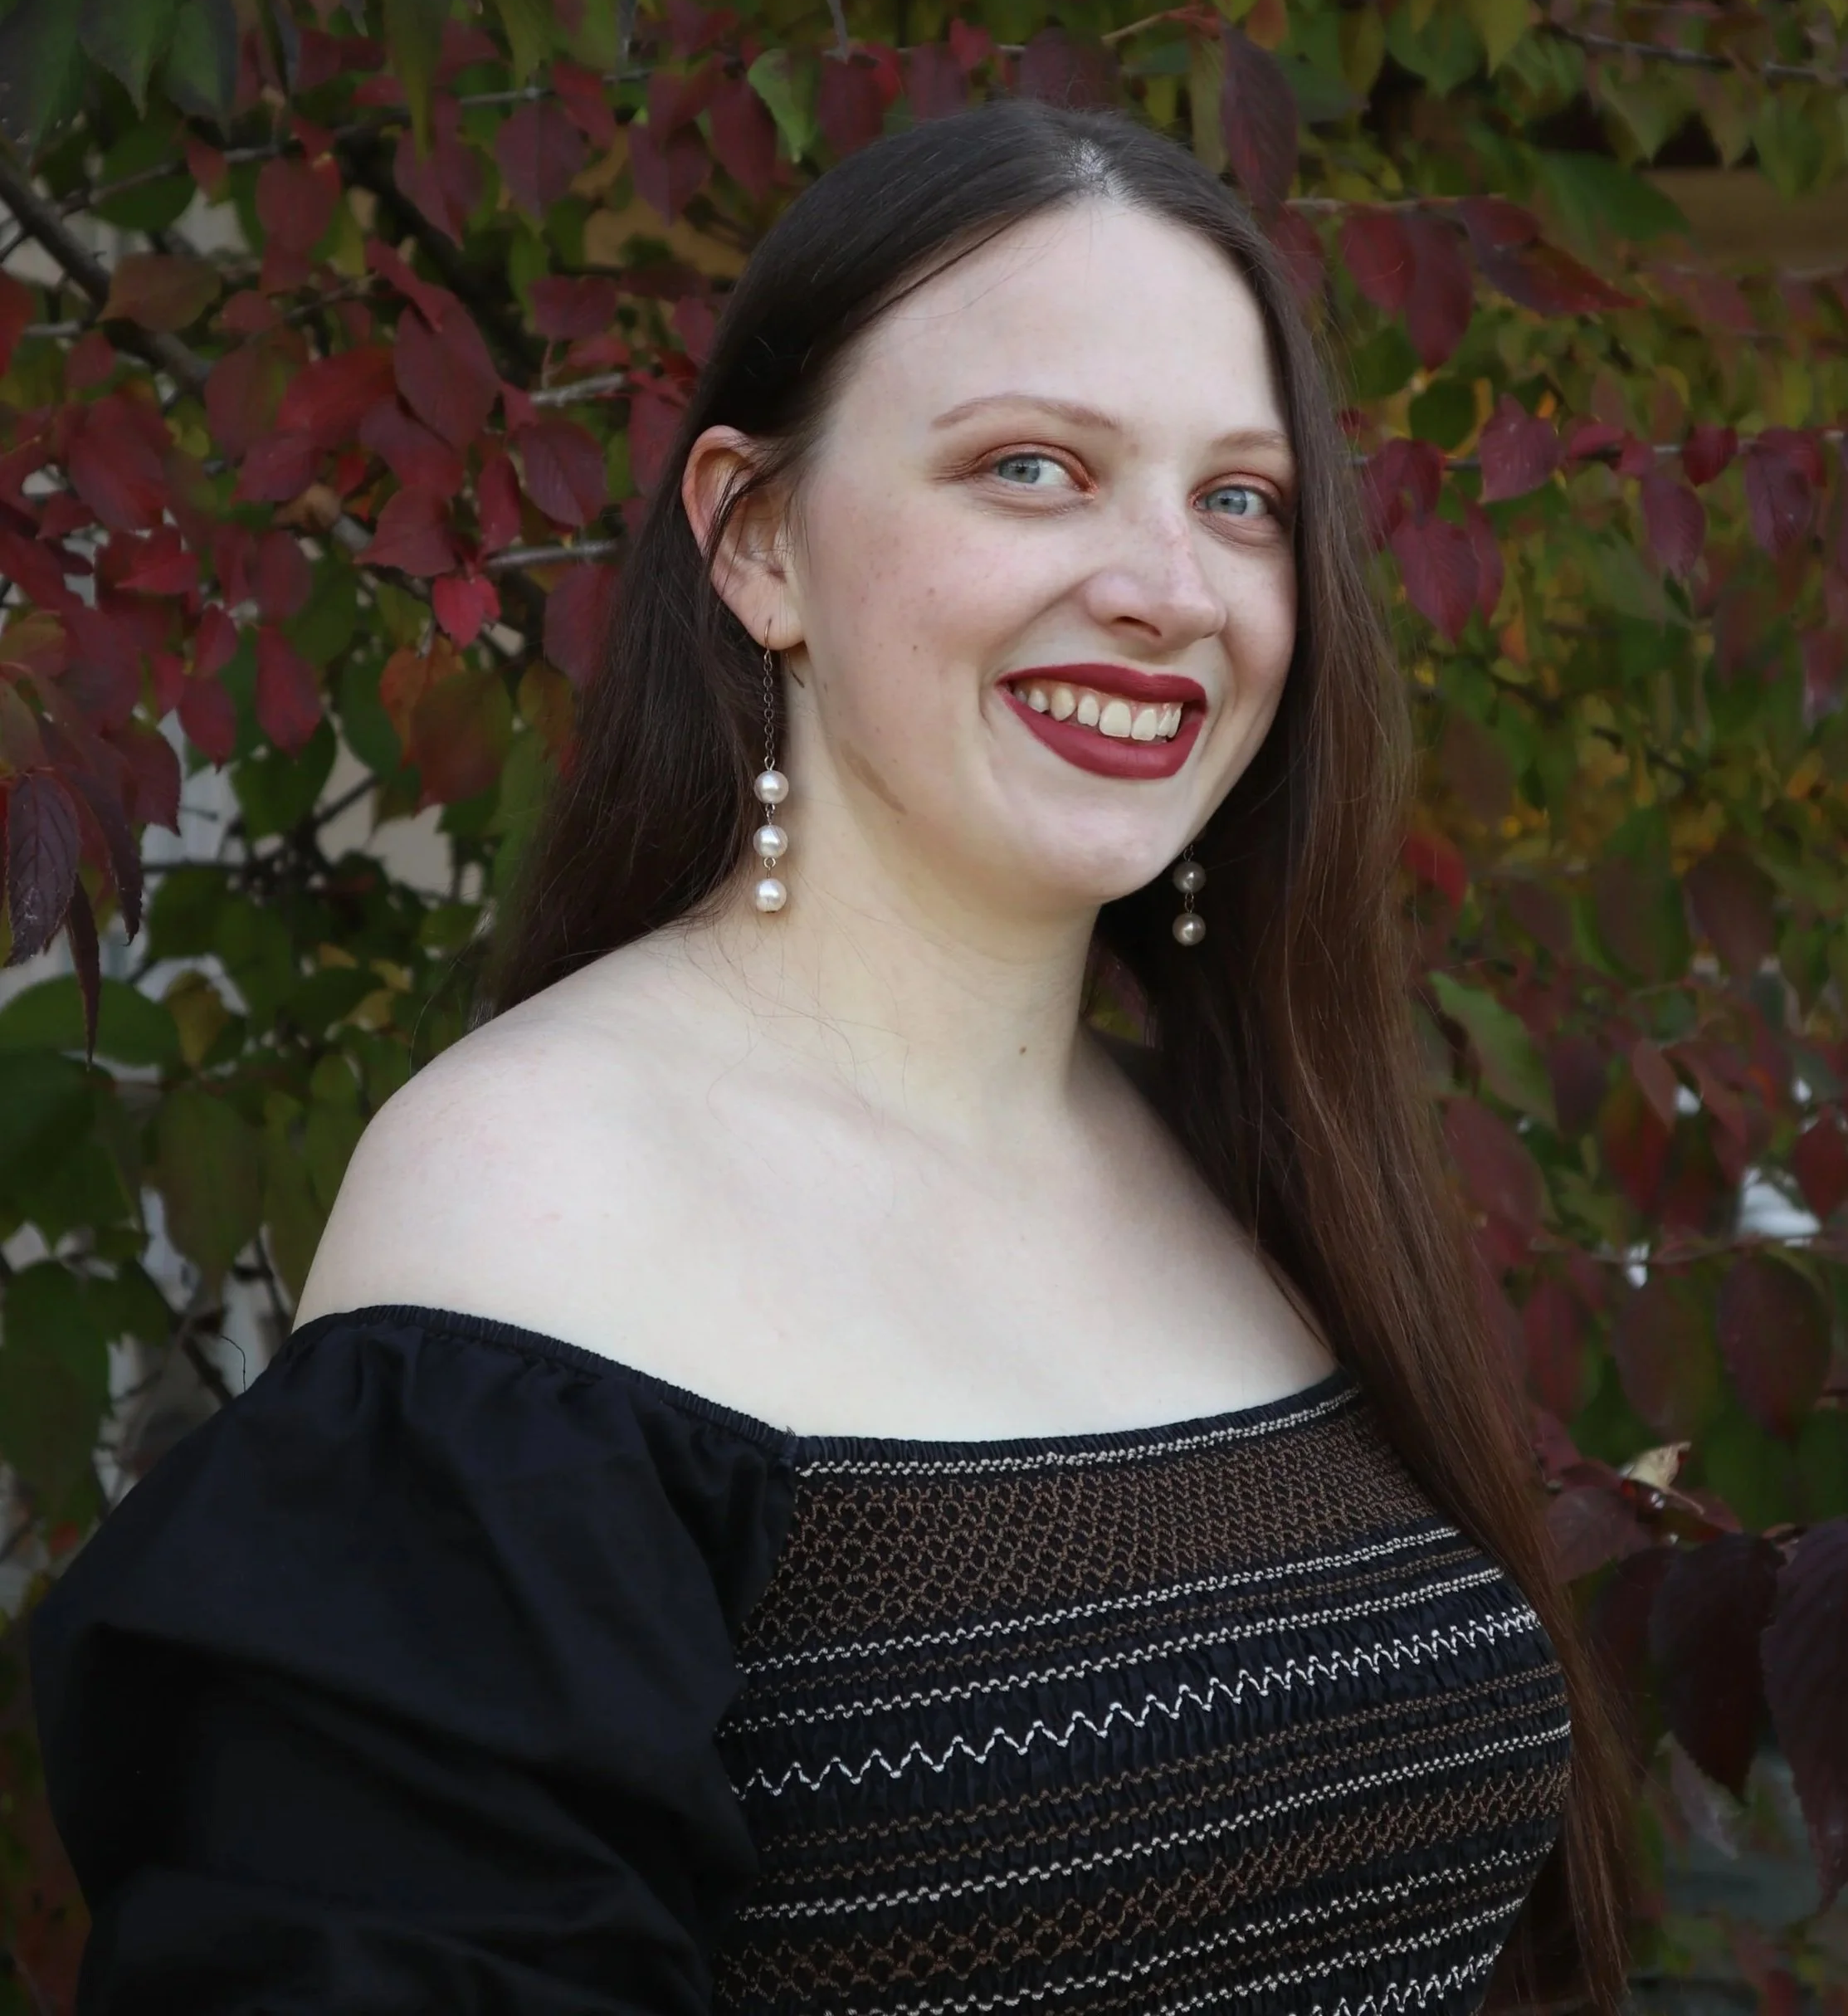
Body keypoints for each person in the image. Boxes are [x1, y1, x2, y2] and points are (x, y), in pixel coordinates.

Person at [32, 99, 1631, 2014]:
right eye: (1033, 467)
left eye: (1242, 501)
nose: (1169, 587)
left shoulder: (1244, 1157)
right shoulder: (538, 1205)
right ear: (759, 541)